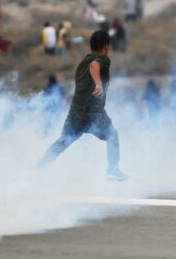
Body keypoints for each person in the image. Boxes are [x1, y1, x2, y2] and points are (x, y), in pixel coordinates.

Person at [39, 30, 128, 181]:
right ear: (106, 47)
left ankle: (38, 168)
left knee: (62, 142)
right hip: (94, 113)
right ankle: (113, 169)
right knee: (112, 135)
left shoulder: (81, 64)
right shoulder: (102, 59)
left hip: (76, 113)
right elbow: (95, 65)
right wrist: (98, 84)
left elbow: (90, 68)